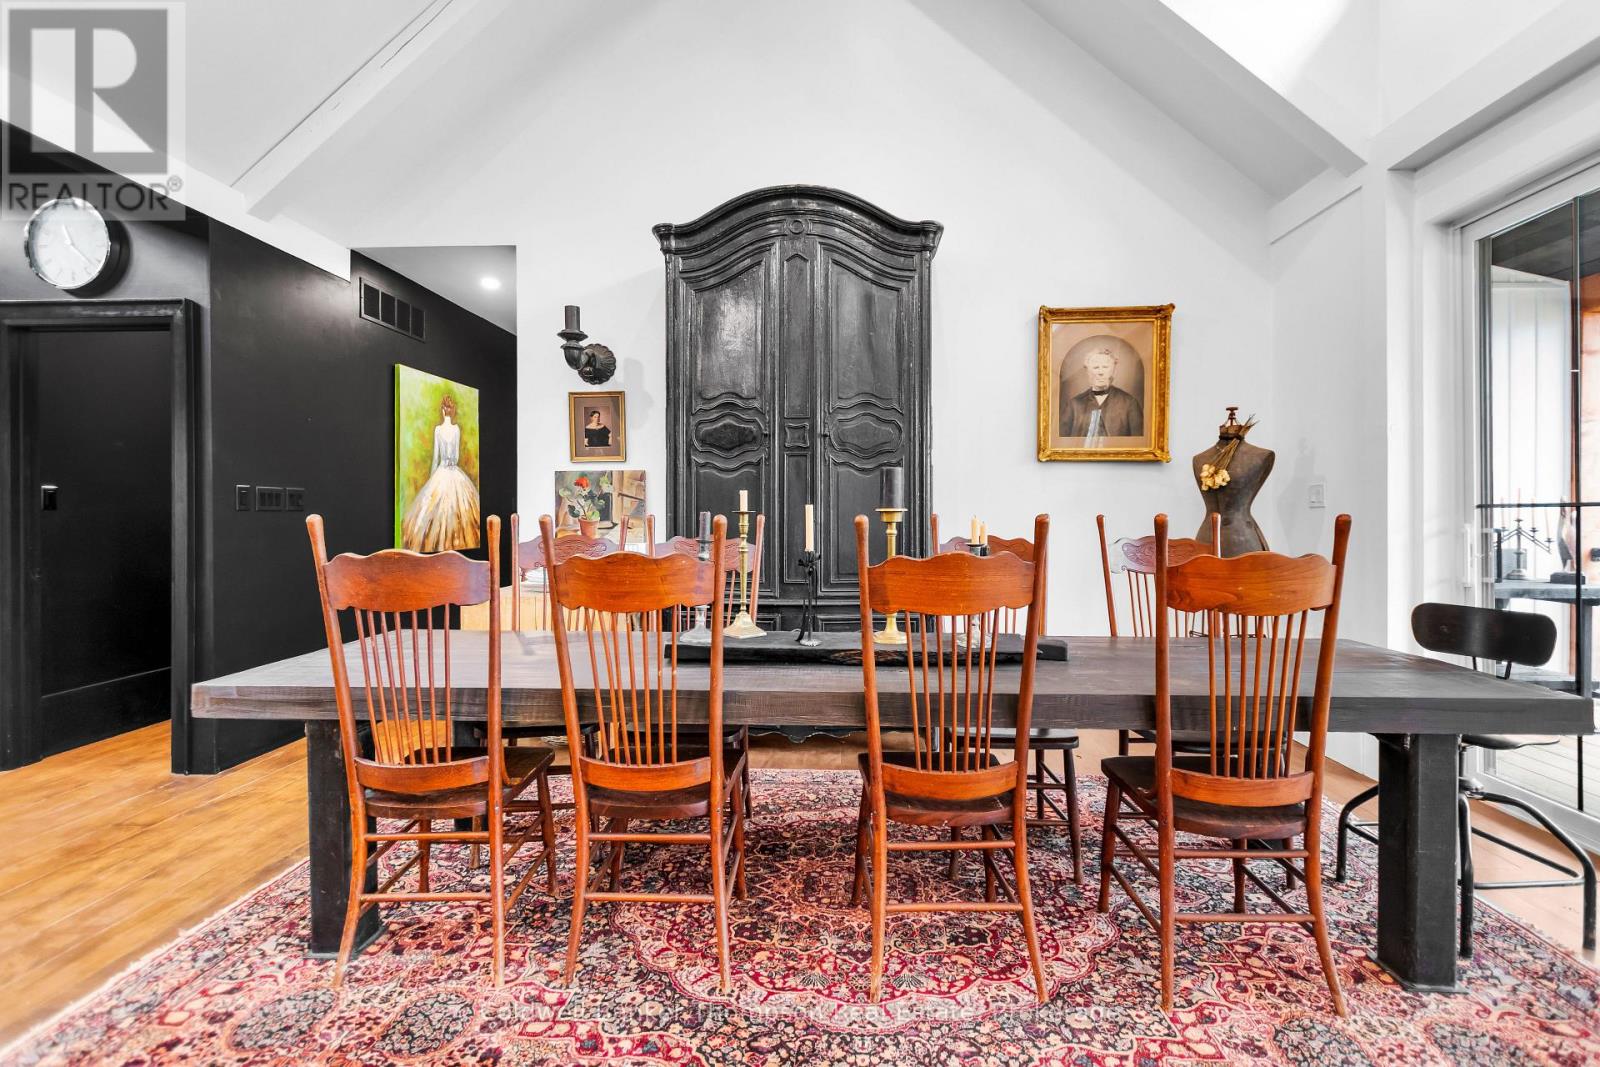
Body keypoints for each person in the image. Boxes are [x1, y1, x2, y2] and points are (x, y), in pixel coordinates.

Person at [400, 394, 481, 551]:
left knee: (435, 512)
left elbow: (436, 458)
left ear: (443, 411)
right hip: (454, 471)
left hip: (441, 471)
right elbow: (456, 456)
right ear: (452, 411)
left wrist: (432, 481)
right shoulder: (456, 430)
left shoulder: (438, 430)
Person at [1060, 344, 1143, 444]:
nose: (1100, 372)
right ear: (1088, 372)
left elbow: (1138, 443)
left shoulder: (1130, 403)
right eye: (1096, 367)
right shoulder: (1074, 405)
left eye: (1105, 367)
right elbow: (1061, 443)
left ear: (1113, 371)